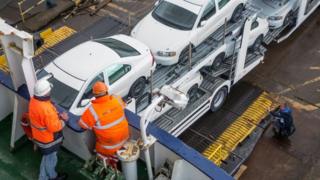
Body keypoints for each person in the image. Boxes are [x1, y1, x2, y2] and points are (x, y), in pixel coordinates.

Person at [78, 81, 129, 169]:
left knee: (98, 151)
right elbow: (123, 106)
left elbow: (82, 125)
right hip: (124, 138)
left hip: (109, 147)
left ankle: (112, 166)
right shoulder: (116, 99)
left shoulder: (92, 111)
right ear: (106, 91)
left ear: (94, 95)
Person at [29, 79, 68, 180]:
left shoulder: (34, 101)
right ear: (46, 93)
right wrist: (64, 120)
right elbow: (54, 127)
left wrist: (55, 115)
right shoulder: (46, 109)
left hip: (39, 137)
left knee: (46, 157)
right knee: (51, 159)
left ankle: (42, 177)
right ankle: (52, 177)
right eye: (49, 90)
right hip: (49, 140)